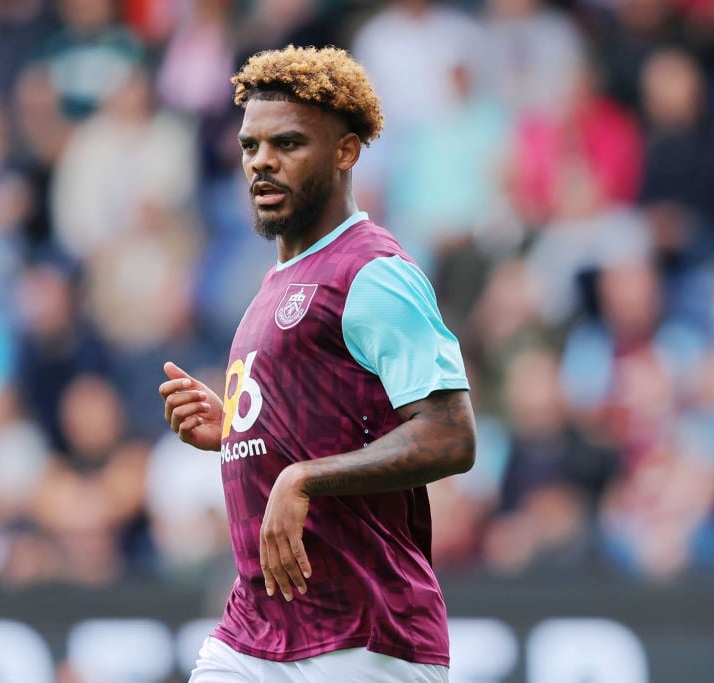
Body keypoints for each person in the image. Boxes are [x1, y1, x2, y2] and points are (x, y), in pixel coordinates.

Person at [158, 45, 477, 682]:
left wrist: (302, 477)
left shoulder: (373, 273)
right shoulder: (275, 282)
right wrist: (238, 429)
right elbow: (328, 420)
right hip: (256, 631)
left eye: (288, 143)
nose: (261, 163)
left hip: (365, 635)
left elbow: (451, 435)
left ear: (346, 151)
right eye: (250, 147)